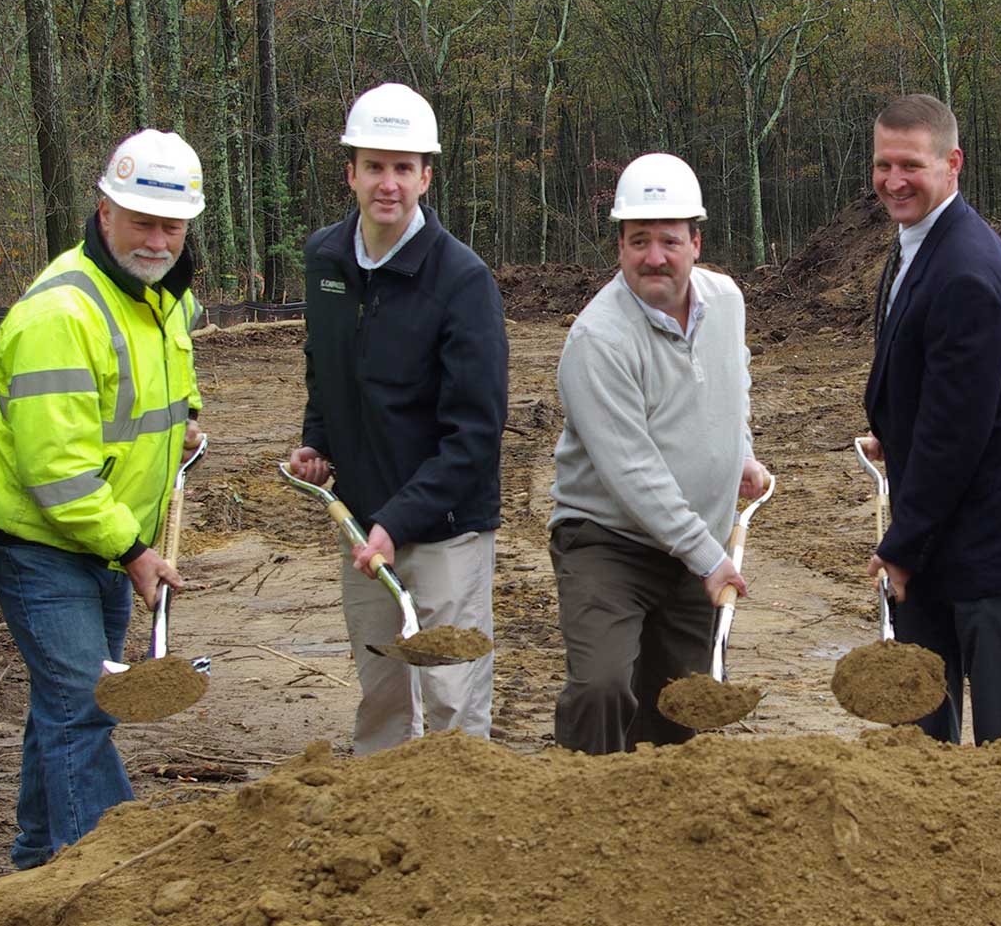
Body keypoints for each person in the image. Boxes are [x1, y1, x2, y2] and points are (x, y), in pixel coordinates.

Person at [0, 129, 206, 868]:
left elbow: (161, 390)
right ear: (105, 213)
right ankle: (105, 874)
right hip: (41, 539)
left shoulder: (166, 300)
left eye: (171, 226)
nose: (157, 239)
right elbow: (57, 471)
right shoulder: (60, 315)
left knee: (66, 702)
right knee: (85, 703)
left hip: (101, 538)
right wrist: (132, 551)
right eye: (142, 221)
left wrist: (188, 419)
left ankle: (39, 854)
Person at [287, 83, 506, 752]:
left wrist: (398, 523)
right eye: (375, 166)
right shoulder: (325, 259)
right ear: (350, 171)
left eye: (403, 168)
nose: (389, 183)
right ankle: (378, 832)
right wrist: (317, 443)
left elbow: (475, 434)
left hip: (443, 529)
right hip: (360, 518)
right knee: (381, 689)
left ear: (426, 175)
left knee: (449, 694)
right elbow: (325, 367)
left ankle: (460, 828)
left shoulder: (461, 282)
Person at [548, 152, 768, 753]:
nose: (654, 257)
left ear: (696, 242)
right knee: (602, 689)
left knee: (679, 706)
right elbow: (631, 472)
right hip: (608, 542)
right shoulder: (598, 340)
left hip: (691, 548)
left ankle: (663, 829)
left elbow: (733, 379)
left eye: (669, 240)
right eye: (637, 240)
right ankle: (585, 804)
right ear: (619, 245)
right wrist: (709, 557)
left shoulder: (726, 301)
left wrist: (740, 452)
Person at [862, 94, 1001, 744]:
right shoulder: (917, 244)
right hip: (942, 535)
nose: (894, 181)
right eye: (883, 164)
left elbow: (957, 436)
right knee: (921, 725)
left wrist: (901, 548)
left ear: (953, 164)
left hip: (989, 547)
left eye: (911, 165)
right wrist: (895, 432)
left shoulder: (967, 271)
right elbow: (937, 387)